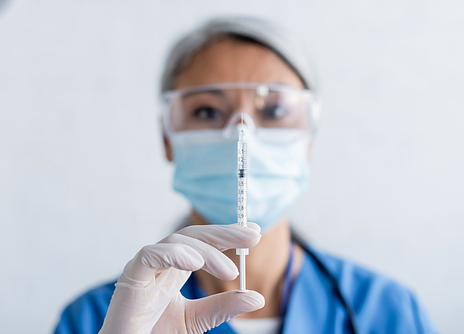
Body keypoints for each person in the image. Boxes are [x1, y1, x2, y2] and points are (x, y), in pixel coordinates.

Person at [54, 17, 438, 334]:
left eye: (273, 110)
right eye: (207, 112)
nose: (242, 134)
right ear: (167, 138)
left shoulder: (387, 312)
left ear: (308, 138)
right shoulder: (101, 319)